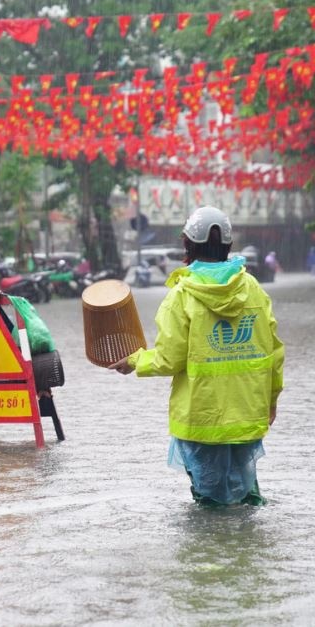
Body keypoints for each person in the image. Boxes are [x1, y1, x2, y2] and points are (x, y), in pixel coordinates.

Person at [109, 206, 284, 506]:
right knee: (246, 501)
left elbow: (168, 359)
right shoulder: (253, 289)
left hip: (202, 421)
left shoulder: (181, 296)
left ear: (187, 246)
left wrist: (136, 360)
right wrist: (271, 400)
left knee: (210, 509)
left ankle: (213, 554)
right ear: (228, 246)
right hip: (246, 416)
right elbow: (274, 354)